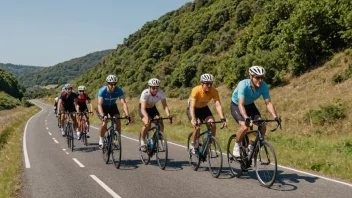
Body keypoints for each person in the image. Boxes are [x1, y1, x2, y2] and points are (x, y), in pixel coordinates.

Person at [231, 66, 281, 157]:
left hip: (250, 105)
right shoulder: (243, 85)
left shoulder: (263, 86)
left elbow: (268, 103)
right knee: (245, 127)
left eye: (262, 77)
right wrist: (246, 118)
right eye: (257, 77)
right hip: (237, 105)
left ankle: (251, 146)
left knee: (262, 125)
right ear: (251, 76)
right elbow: (241, 104)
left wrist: (275, 116)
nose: (260, 80)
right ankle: (237, 145)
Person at [187, 73, 227, 154]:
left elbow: (218, 105)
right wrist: (194, 119)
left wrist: (222, 118)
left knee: (213, 125)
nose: (209, 86)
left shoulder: (214, 91)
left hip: (204, 109)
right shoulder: (196, 90)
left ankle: (207, 145)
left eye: (211, 84)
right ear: (202, 83)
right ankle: (193, 144)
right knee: (197, 126)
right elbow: (191, 107)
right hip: (193, 109)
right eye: (207, 84)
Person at [97, 75, 131, 149]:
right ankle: (101, 140)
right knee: (104, 123)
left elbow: (123, 103)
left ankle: (115, 140)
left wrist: (127, 114)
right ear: (107, 84)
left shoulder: (118, 90)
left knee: (117, 120)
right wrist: (103, 115)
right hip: (103, 107)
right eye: (111, 84)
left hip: (112, 106)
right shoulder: (102, 91)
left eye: (115, 84)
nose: (113, 86)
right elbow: (99, 104)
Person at [139, 78, 172, 152]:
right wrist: (147, 118)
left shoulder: (160, 93)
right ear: (149, 87)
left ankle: (155, 139)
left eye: (157, 88)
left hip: (152, 108)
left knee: (160, 123)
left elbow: (165, 106)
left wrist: (168, 115)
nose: (155, 90)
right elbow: (143, 109)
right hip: (143, 109)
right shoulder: (145, 93)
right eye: (153, 88)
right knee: (147, 124)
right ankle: (142, 141)